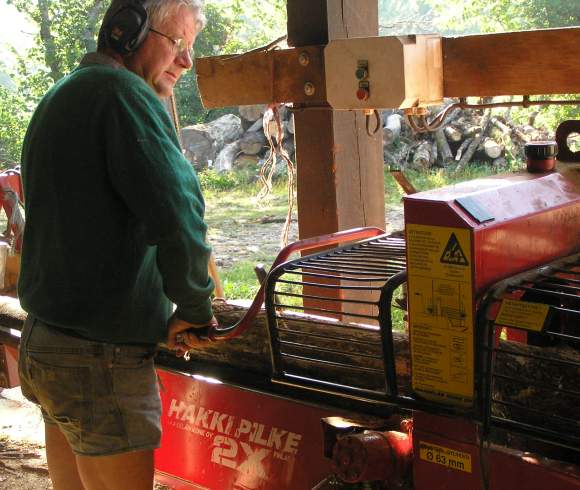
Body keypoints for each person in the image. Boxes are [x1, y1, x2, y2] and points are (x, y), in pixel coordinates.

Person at [17, 0, 216, 488]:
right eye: (179, 44)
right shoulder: (121, 94)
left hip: (49, 343)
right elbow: (178, 211)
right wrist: (194, 303)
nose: (187, 62)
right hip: (99, 356)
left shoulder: (65, 91)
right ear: (129, 31)